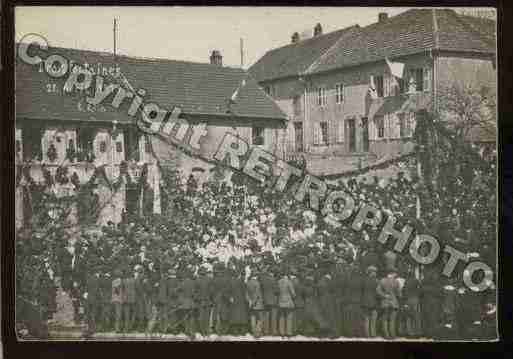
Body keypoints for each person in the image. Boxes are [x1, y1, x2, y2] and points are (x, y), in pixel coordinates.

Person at [376, 268, 401, 339]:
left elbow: (378, 291)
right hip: (394, 303)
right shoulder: (396, 282)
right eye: (395, 273)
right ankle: (392, 335)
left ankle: (386, 335)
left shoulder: (382, 280)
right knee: (392, 320)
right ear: (392, 273)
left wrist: (384, 295)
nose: (396, 274)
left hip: (385, 302)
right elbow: (399, 293)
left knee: (385, 319)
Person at [402, 270, 422, 337]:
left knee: (408, 317)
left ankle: (410, 333)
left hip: (408, 300)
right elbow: (420, 290)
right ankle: (418, 333)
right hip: (415, 299)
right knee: (416, 316)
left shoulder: (406, 281)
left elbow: (403, 290)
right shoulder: (416, 281)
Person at [259, 268, 279, 336]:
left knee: (266, 316)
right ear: (272, 273)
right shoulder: (274, 280)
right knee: (273, 316)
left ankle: (266, 331)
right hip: (273, 301)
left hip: (265, 300)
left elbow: (261, 289)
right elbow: (277, 291)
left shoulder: (263, 280)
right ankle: (273, 331)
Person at [230, 269, 249, 335]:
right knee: (242, 316)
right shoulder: (242, 282)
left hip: (235, 301)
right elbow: (245, 292)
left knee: (235, 316)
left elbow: (226, 292)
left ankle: (236, 331)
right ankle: (242, 331)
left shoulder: (231, 282)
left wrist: (230, 297)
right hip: (241, 301)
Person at [361, 265, 378, 338]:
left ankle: (367, 335)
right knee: (373, 319)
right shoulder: (377, 281)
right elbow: (378, 292)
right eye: (374, 272)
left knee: (366, 319)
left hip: (365, 302)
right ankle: (373, 334)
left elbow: (362, 291)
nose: (375, 273)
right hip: (374, 302)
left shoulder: (364, 280)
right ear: (371, 272)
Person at [277, 268, 296, 337]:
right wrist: (293, 296)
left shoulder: (278, 282)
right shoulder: (289, 282)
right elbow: (293, 293)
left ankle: (282, 333)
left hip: (281, 301)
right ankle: (289, 333)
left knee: (281, 317)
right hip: (288, 302)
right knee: (289, 317)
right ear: (287, 275)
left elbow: (277, 292)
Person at [195, 266, 213, 335]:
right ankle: (207, 331)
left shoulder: (197, 280)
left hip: (200, 302)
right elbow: (212, 291)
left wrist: (197, 298)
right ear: (205, 273)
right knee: (207, 317)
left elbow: (195, 292)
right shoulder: (209, 279)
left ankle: (203, 332)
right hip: (208, 301)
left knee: (201, 317)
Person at [246, 269, 264, 337]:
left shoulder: (248, 282)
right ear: (256, 275)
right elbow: (257, 294)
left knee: (252, 318)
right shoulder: (257, 283)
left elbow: (246, 294)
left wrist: (250, 301)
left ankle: (253, 332)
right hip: (257, 304)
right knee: (260, 318)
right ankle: (258, 333)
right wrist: (253, 302)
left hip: (251, 303)